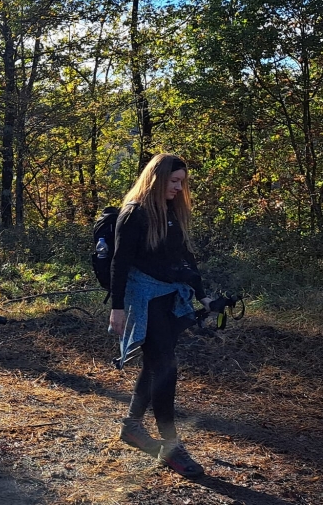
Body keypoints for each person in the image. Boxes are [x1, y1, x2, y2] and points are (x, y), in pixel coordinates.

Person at [109, 153, 211, 479]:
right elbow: (119, 263)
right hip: (142, 299)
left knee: (155, 364)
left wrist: (202, 293)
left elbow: (184, 257)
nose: (179, 188)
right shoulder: (134, 214)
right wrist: (117, 309)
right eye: (174, 181)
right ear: (156, 179)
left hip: (168, 298)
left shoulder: (170, 212)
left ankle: (132, 427)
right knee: (166, 365)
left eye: (182, 182)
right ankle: (171, 445)